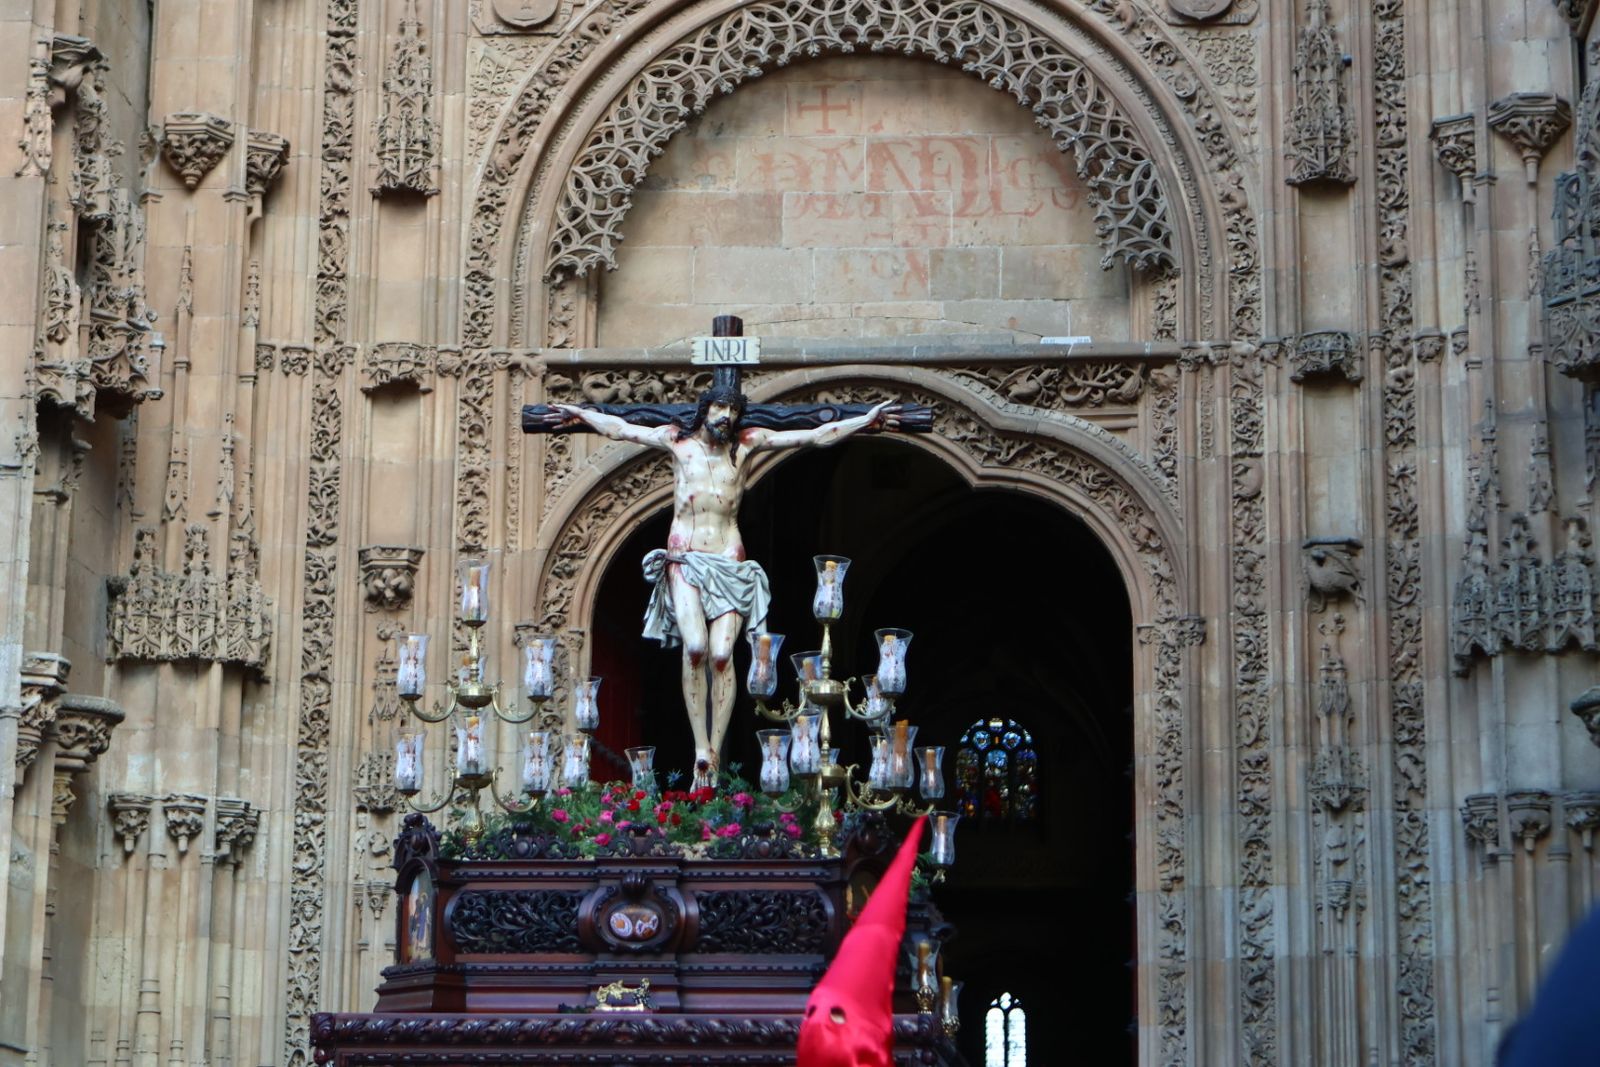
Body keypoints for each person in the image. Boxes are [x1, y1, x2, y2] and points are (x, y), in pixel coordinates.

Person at [554, 386, 899, 786]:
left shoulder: (748, 446)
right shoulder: (676, 441)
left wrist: (863, 420)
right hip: (684, 559)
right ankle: (700, 744)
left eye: (734, 410)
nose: (727, 416)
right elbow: (621, 428)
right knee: (696, 647)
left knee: (721, 655)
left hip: (729, 562)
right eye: (720, 407)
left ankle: (713, 752)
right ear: (704, 409)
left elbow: (812, 435)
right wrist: (579, 414)